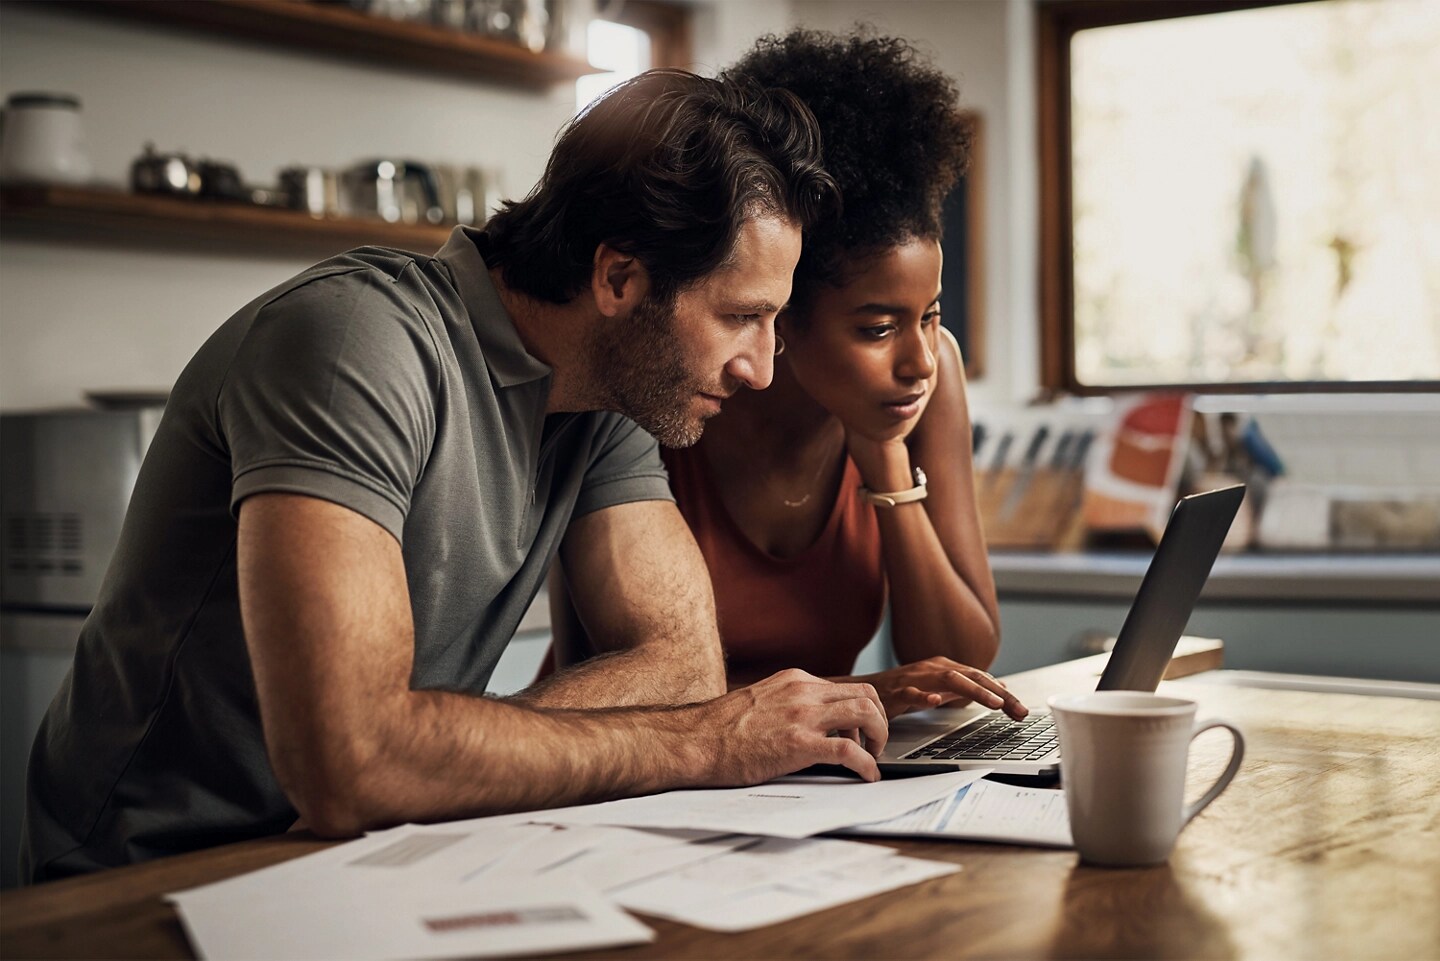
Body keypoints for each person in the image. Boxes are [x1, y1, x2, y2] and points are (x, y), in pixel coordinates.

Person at [21, 70, 891, 884]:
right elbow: (351, 762)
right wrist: (704, 745)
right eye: (741, 316)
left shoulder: (607, 398)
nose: (764, 369)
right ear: (619, 275)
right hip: (150, 875)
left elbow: (682, 665)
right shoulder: (355, 343)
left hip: (364, 857)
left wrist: (437, 754)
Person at [549, 31, 1028, 722]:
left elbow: (962, 661)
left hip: (799, 779)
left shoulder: (925, 381)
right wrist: (856, 693)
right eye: (877, 327)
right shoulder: (665, 387)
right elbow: (599, 683)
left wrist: (886, 462)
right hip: (629, 776)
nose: (919, 360)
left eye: (931, 314)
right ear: (781, 310)